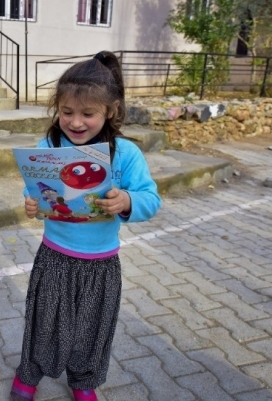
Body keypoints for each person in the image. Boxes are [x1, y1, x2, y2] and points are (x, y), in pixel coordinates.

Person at [10, 51, 162, 401]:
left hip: (101, 263)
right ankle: (28, 374)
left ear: (110, 110)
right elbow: (34, 187)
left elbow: (151, 199)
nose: (75, 122)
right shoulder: (48, 145)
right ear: (57, 110)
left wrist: (126, 201)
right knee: (43, 323)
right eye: (66, 112)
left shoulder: (125, 154)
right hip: (54, 257)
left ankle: (83, 381)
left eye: (87, 113)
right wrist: (32, 203)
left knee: (92, 330)